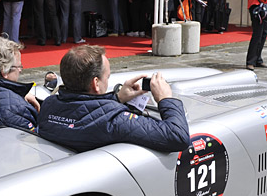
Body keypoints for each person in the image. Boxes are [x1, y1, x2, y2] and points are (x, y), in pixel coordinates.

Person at [38, 44, 189, 153]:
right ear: (96, 83)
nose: (107, 81)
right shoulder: (114, 121)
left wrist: (117, 98)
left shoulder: (48, 106)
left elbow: (84, 114)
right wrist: (165, 99)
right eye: (107, 77)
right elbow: (178, 137)